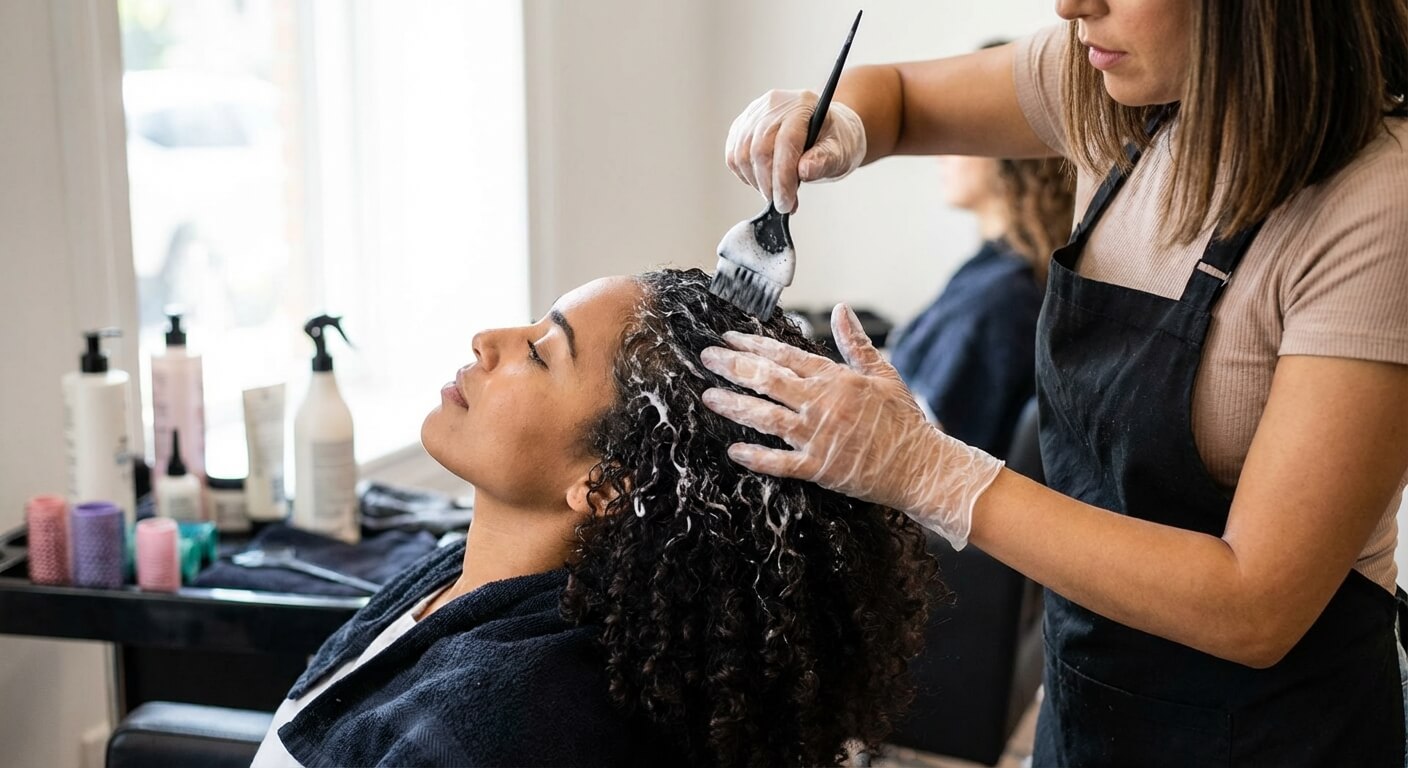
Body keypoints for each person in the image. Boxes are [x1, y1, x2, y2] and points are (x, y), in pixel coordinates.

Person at [704, 1, 1408, 765]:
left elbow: (1256, 608)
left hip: (1279, 738)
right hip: (1084, 713)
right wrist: (835, 117)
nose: (1072, 6)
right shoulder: (1107, 87)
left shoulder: (1377, 207)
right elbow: (900, 99)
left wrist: (930, 471)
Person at [251, 268, 937, 767]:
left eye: (541, 352)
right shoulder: (459, 577)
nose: (488, 339)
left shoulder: (501, 727)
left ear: (605, 484)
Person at [890, 149, 1073, 457]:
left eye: (961, 140)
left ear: (1012, 157)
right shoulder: (992, 270)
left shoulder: (1006, 297)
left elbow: (919, 447)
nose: (940, 154)